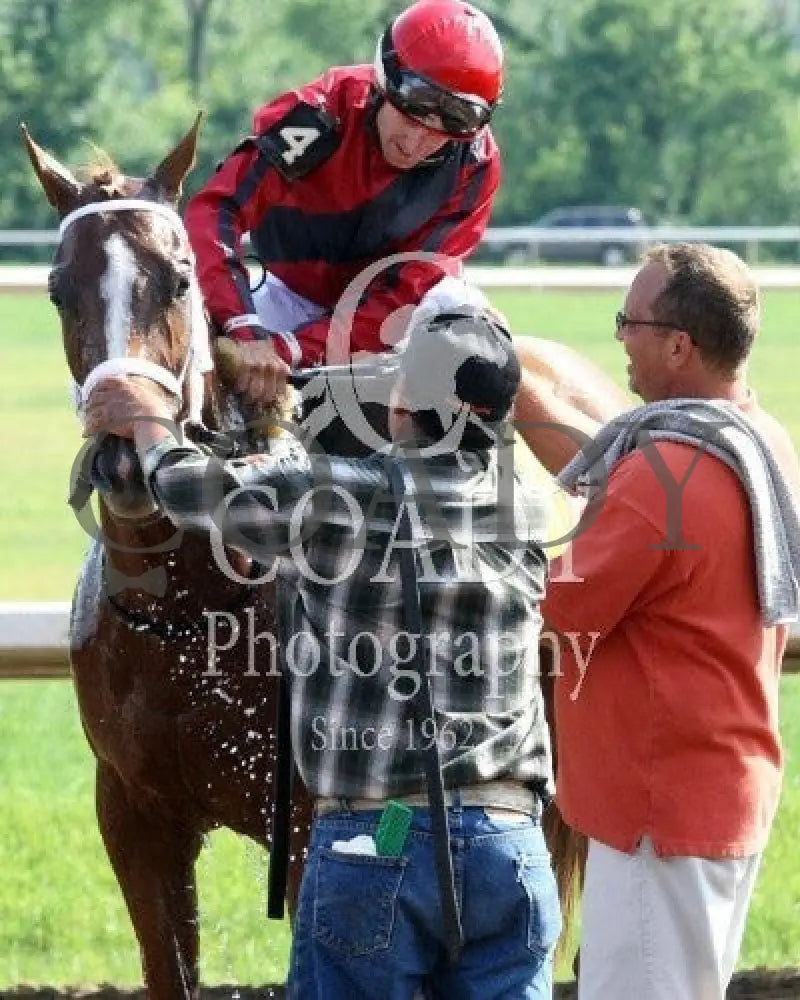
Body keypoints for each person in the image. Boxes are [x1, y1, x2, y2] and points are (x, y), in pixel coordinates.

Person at [84, 305, 562, 999]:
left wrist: (153, 422)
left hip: (381, 839)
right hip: (509, 844)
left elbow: (190, 489)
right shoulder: (521, 511)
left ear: (405, 405)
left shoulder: (337, 501)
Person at [537, 243, 800, 1000]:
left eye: (630, 320)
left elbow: (563, 603)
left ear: (679, 345)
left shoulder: (663, 472)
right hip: (723, 787)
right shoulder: (761, 436)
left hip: (657, 807)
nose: (620, 336)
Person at [185, 0, 504, 406]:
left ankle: (466, 466)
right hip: (287, 298)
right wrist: (244, 327)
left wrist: (291, 350)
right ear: (384, 83)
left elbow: (409, 293)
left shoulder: (474, 165)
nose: (416, 142)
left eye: (444, 133)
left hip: (388, 315)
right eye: (410, 115)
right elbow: (215, 209)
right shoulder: (319, 116)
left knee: (476, 333)